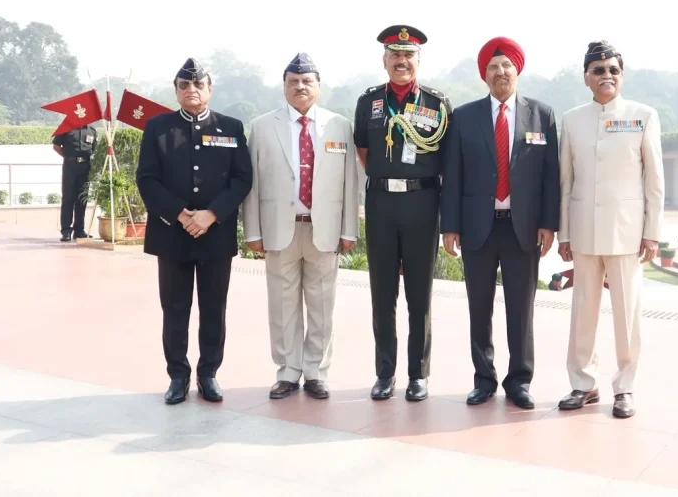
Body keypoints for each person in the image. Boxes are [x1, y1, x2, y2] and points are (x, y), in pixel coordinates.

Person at [441, 37, 560, 410]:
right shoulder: (465, 117)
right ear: (484, 75)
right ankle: (484, 379)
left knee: (521, 309)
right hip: (478, 226)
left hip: (522, 228)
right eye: (493, 67)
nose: (500, 72)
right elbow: (453, 174)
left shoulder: (541, 115)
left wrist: (549, 223)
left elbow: (550, 175)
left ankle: (519, 380)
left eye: (507, 65)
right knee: (480, 308)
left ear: (517, 70)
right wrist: (450, 226)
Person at [242, 53, 359, 401]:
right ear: (284, 87)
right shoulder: (263, 126)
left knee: (322, 306)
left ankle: (316, 372)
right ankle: (288, 371)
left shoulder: (340, 125)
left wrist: (349, 229)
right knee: (282, 306)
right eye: (293, 81)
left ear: (319, 86)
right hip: (280, 229)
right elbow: (252, 183)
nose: (300, 87)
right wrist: (253, 232)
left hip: (324, 229)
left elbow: (350, 181)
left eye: (307, 81)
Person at [136, 58, 253, 405]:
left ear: (209, 89)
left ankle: (208, 373)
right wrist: (180, 214)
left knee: (214, 307)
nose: (192, 90)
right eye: (184, 85)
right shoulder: (158, 128)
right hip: (172, 233)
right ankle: (178, 375)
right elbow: (147, 179)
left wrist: (211, 214)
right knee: (175, 308)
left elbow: (242, 178)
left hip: (215, 233)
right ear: (176, 91)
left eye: (198, 84)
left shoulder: (230, 127)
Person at [557, 41, 664, 418]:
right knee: (583, 313)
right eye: (599, 70)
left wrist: (652, 231)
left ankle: (625, 387)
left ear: (622, 76)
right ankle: (583, 383)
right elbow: (566, 181)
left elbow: (654, 180)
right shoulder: (572, 120)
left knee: (626, 315)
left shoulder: (642, 116)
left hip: (626, 233)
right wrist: (564, 233)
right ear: (586, 77)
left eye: (614, 70)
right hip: (583, 231)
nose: (607, 76)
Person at [353, 25, 452, 402]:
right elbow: (364, 152)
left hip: (421, 202)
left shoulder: (437, 104)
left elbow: (446, 161)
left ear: (418, 60)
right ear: (385, 60)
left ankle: (418, 373)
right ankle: (385, 372)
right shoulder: (369, 102)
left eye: (408, 55)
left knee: (419, 294)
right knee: (382, 293)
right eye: (395, 54)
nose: (402, 61)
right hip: (381, 203)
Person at [52, 124, 97, 241]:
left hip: (85, 167)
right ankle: (66, 231)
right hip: (70, 166)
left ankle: (79, 230)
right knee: (68, 198)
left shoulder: (91, 130)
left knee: (82, 198)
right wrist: (68, 157)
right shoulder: (66, 128)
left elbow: (93, 149)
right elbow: (56, 146)